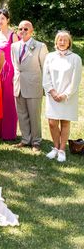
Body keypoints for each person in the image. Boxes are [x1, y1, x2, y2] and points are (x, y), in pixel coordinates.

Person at [43, 31, 82, 163]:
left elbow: (75, 80)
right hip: (52, 95)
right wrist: (52, 92)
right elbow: (46, 76)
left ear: (69, 42)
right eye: (60, 39)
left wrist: (65, 94)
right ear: (56, 41)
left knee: (65, 122)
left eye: (65, 40)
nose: (62, 42)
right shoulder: (50, 57)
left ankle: (61, 150)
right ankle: (55, 147)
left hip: (68, 97)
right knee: (52, 122)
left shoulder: (75, 58)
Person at [11, 20, 48, 151]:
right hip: (18, 85)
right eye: (20, 29)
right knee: (22, 114)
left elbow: (45, 67)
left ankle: (36, 141)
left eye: (26, 29)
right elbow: (16, 66)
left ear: (31, 31)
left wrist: (45, 86)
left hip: (34, 85)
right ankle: (25, 139)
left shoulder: (40, 46)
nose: (23, 31)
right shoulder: (14, 46)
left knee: (34, 114)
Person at [0, 9, 19, 140]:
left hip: (10, 71)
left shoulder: (13, 35)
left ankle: (9, 132)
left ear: (8, 20)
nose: (0, 21)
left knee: (9, 101)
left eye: (3, 18)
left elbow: (17, 55)